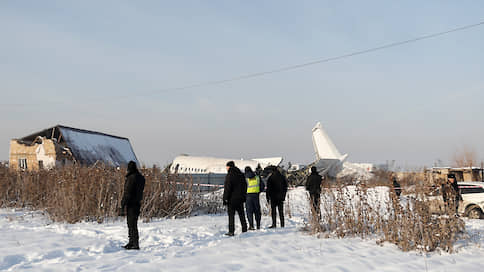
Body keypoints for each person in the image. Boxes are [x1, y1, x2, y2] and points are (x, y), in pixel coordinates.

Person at [119, 161, 145, 250]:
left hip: (131, 204)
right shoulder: (141, 178)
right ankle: (133, 242)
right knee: (134, 223)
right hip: (137, 203)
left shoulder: (131, 178)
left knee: (131, 224)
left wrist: (123, 204)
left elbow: (127, 192)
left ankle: (134, 243)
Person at [223, 161, 248, 236]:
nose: (226, 168)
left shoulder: (229, 175)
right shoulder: (241, 174)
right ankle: (244, 229)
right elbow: (245, 186)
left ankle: (231, 231)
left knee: (231, 216)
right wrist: (244, 197)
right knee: (242, 214)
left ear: (229, 167)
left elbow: (227, 188)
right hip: (240, 199)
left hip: (232, 199)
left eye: (227, 167)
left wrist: (225, 198)